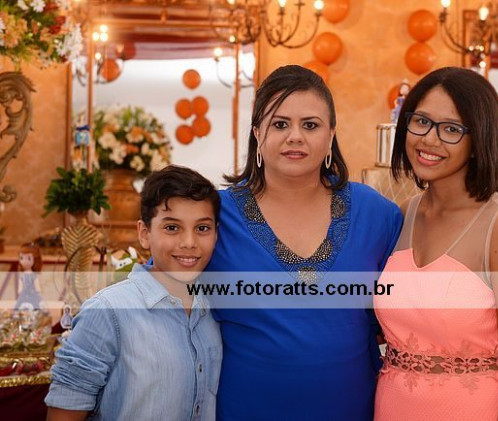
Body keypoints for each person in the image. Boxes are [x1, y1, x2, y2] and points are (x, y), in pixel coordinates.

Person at [205, 65, 402, 421]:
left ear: (330, 136)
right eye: (280, 124)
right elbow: (160, 295)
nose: (295, 136)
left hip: (351, 410)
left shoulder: (376, 213)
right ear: (257, 134)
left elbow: (405, 314)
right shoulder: (216, 216)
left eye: (310, 125)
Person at [374, 67, 498, 420]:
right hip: (392, 407)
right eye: (421, 122)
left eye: (451, 129)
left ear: (479, 140)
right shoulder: (402, 214)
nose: (429, 140)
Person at [45, 165, 222, 421]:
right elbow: (64, 414)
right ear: (144, 233)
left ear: (216, 234)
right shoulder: (108, 312)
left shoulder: (215, 309)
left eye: (202, 228)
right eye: (172, 228)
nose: (189, 242)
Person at [14, 242, 44, 310]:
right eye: (21, 258)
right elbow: (20, 284)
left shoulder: (34, 275)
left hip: (33, 294)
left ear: (35, 260)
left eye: (29, 258)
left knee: (36, 306)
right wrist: (20, 291)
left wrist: (38, 291)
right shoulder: (22, 275)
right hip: (23, 294)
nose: (24, 261)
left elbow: (36, 284)